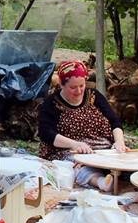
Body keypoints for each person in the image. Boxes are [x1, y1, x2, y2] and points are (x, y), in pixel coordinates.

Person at [38, 60, 128, 190]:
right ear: (61, 85)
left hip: (102, 148)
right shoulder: (52, 103)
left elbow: (115, 121)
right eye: (73, 87)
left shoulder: (94, 96)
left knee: (125, 160)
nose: (79, 91)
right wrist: (75, 144)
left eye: (82, 85)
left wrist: (119, 142)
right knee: (75, 166)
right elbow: (46, 133)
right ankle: (100, 181)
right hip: (68, 150)